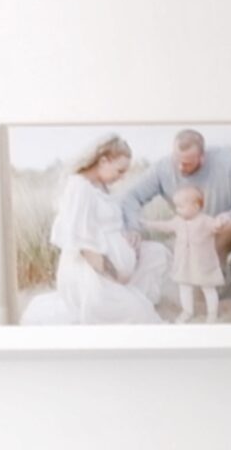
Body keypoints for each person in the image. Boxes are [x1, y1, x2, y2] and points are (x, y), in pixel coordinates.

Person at [113, 127, 231, 315]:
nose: (181, 168)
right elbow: (131, 197)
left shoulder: (227, 160)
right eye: (177, 160)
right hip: (200, 241)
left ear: (202, 157)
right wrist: (133, 227)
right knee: (202, 299)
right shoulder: (162, 168)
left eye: (188, 163)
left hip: (230, 225)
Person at [21, 134, 165, 324]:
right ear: (104, 161)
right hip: (91, 271)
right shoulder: (79, 189)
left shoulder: (101, 186)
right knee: (139, 314)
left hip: (113, 268)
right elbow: (84, 246)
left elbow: (107, 224)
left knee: (157, 254)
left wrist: (128, 237)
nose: (121, 177)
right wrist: (116, 277)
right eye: (119, 171)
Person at [145, 185, 224, 323]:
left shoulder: (205, 220)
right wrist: (149, 224)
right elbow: (165, 226)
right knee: (184, 287)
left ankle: (212, 313)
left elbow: (215, 227)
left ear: (196, 206)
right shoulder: (178, 221)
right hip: (184, 263)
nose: (177, 210)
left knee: (208, 287)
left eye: (181, 206)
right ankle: (187, 311)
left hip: (202, 263)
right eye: (177, 206)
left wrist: (218, 224)